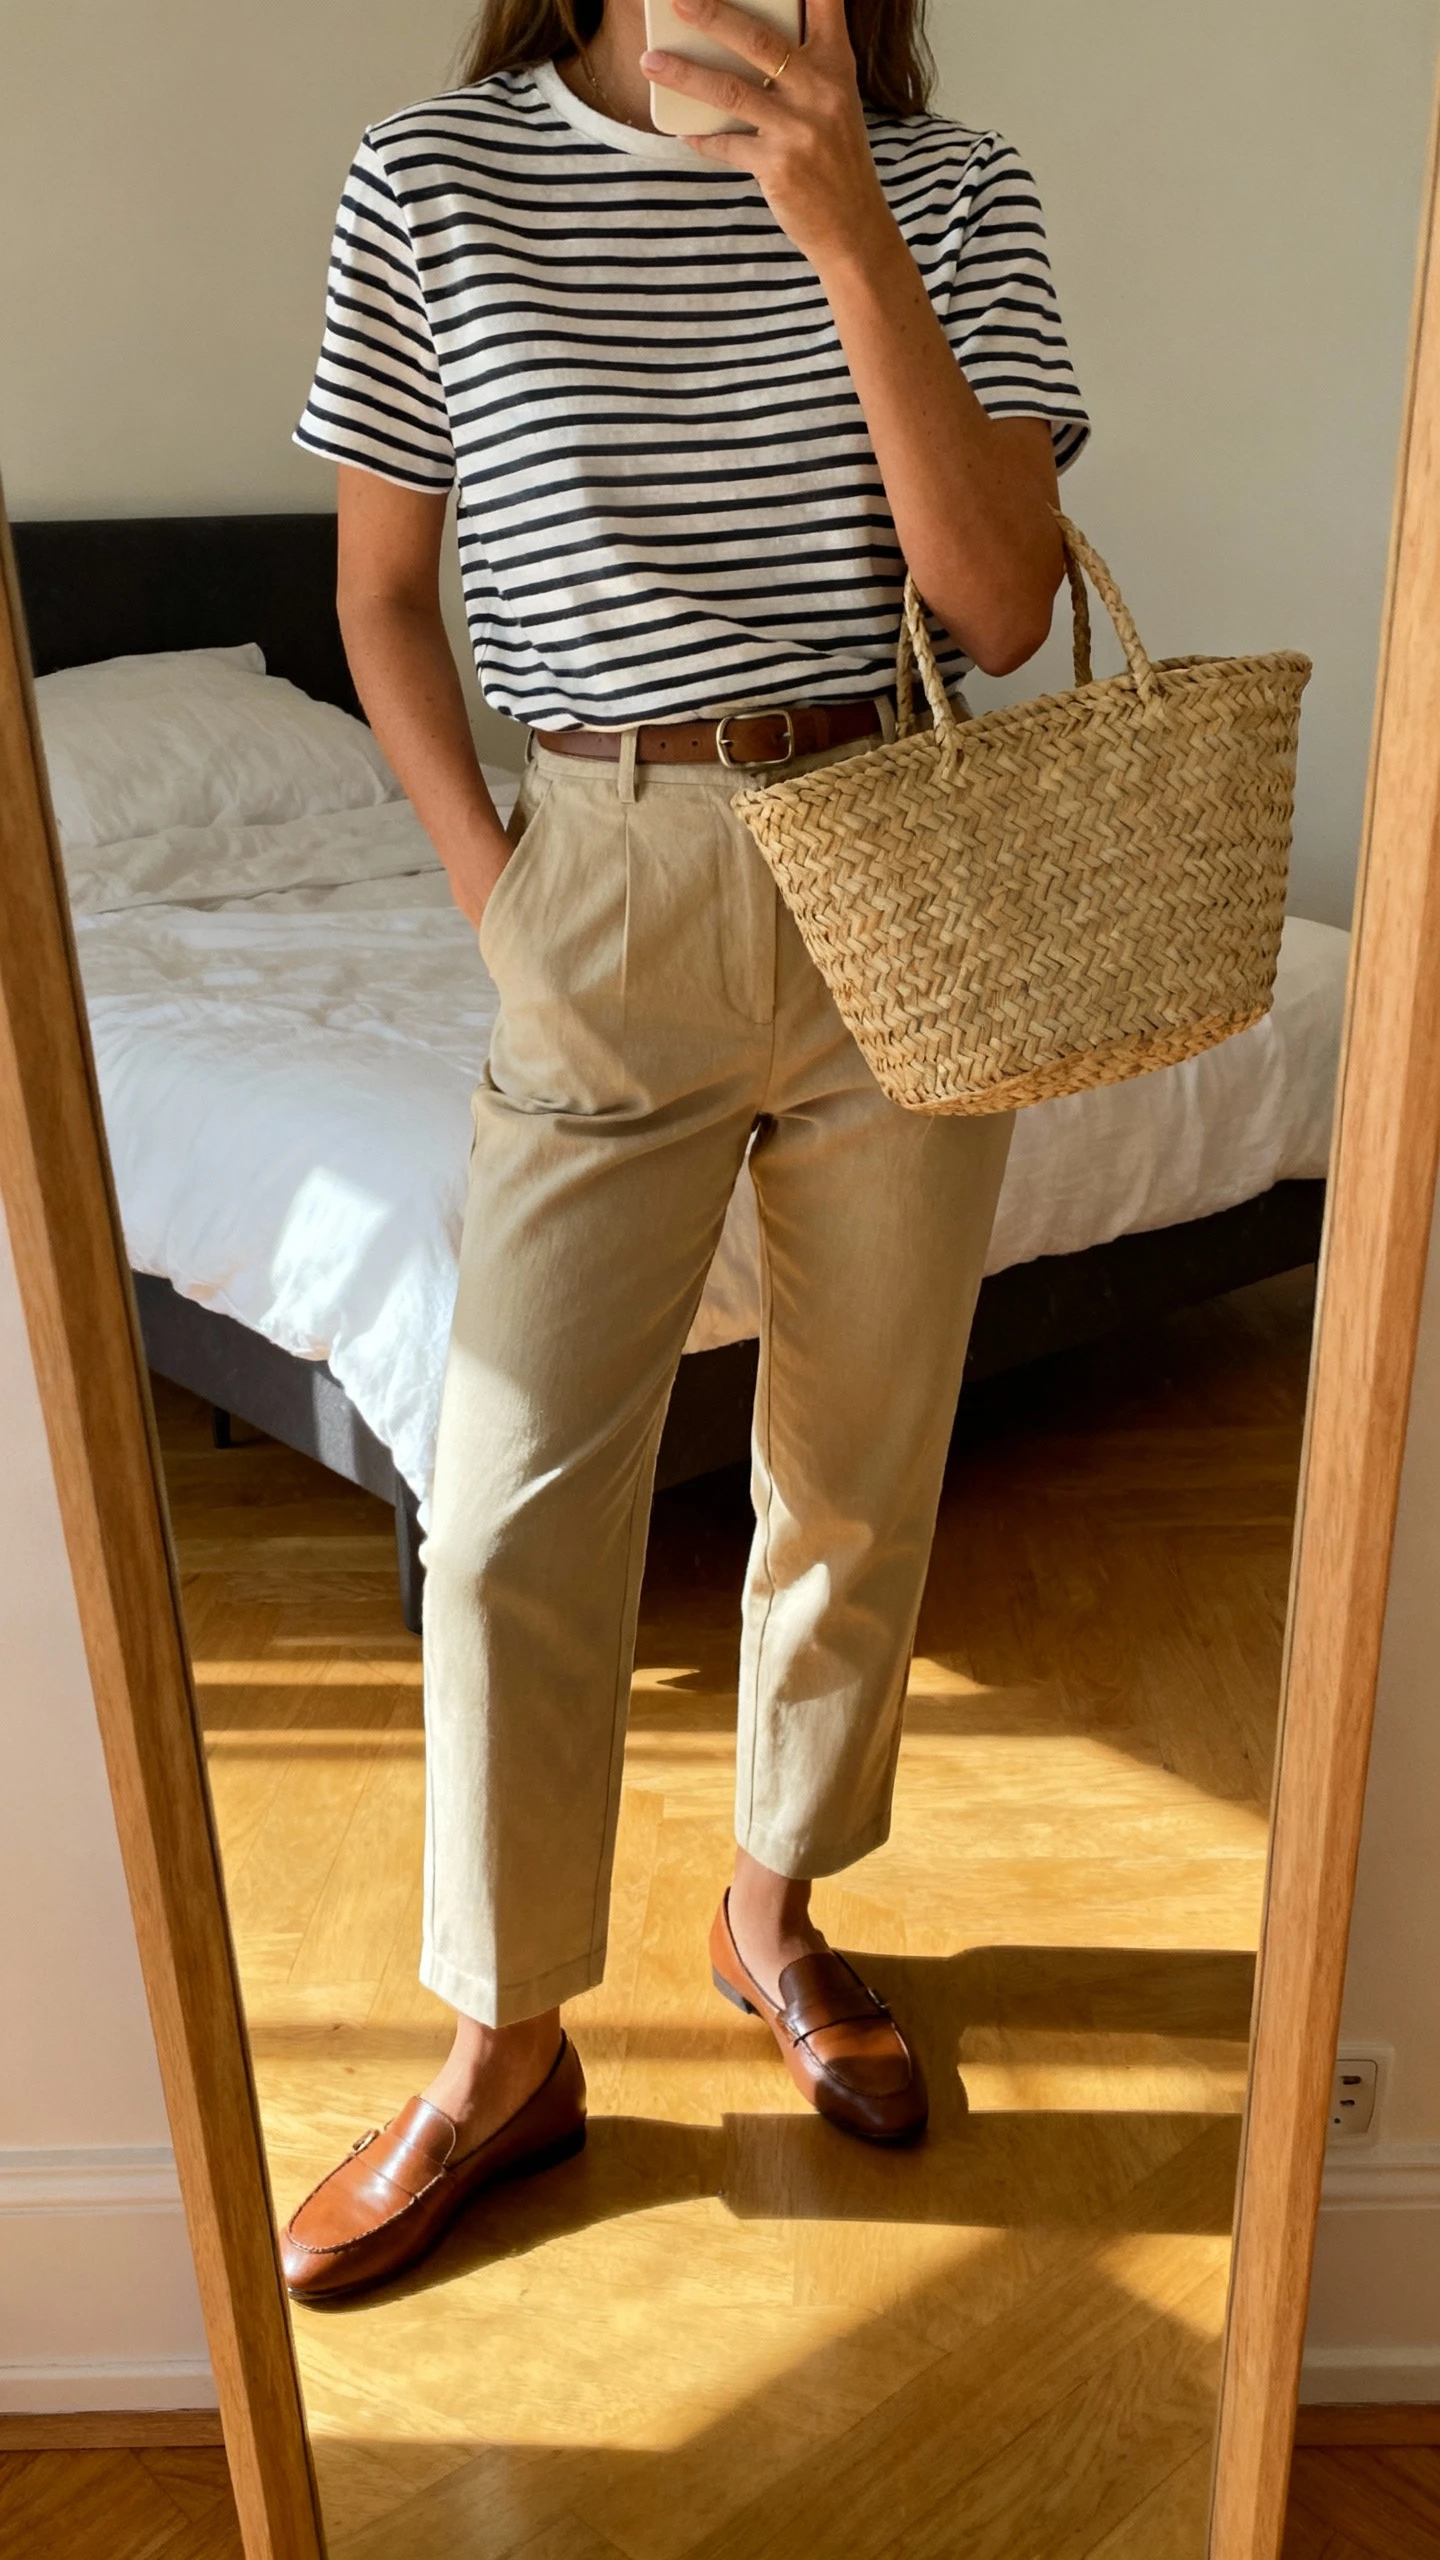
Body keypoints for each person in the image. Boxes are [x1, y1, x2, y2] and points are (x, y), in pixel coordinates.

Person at [280, 0, 1089, 2303]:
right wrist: (500, 894)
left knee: (856, 1461)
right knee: (512, 1493)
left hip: (899, 852)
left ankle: (778, 1909)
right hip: (602, 861)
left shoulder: (957, 188)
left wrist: (842, 221)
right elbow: (375, 592)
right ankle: (500, 2037)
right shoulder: (431, 178)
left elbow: (1004, 604)